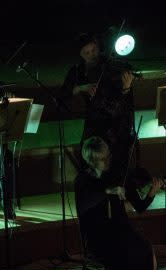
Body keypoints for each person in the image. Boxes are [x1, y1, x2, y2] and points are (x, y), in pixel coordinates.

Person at [74, 136, 163, 270]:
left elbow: (139, 207)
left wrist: (151, 194)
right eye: (102, 159)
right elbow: (84, 205)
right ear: (91, 161)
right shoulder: (83, 181)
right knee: (120, 255)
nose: (107, 161)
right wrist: (108, 191)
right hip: (97, 235)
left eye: (108, 156)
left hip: (121, 230)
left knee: (146, 250)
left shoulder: (117, 175)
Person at [61, 33, 135, 171]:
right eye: (87, 52)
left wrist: (125, 89)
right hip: (93, 125)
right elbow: (63, 95)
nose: (92, 55)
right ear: (80, 55)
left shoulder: (112, 66)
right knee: (88, 164)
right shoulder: (77, 72)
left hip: (116, 125)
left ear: (98, 47)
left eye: (94, 50)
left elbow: (118, 107)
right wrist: (79, 88)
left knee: (117, 164)